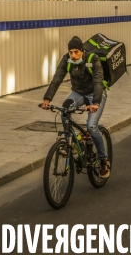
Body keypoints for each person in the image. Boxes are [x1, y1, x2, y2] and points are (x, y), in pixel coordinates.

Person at [40, 35, 110, 178]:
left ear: (82, 51)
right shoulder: (67, 59)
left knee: (91, 125)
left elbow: (98, 81)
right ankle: (68, 142)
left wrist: (95, 103)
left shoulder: (92, 59)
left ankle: (103, 160)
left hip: (95, 95)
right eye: (71, 52)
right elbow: (57, 78)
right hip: (78, 93)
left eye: (76, 52)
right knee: (64, 110)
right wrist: (47, 99)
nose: (73, 55)